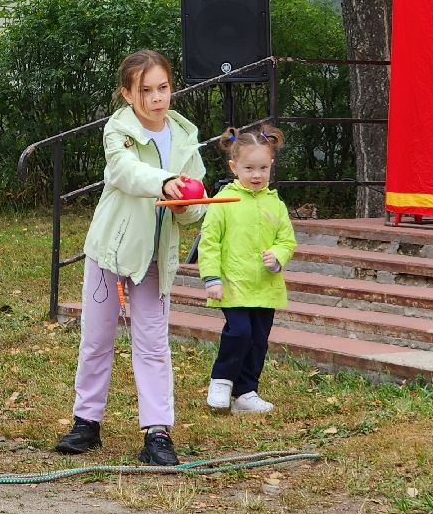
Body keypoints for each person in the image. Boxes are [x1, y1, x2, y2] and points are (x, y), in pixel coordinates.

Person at [57, 50, 206, 466]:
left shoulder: (185, 136)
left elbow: (198, 202)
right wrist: (166, 182)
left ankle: (157, 433)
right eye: (145, 90)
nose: (157, 98)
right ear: (127, 94)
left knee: (153, 345)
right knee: (96, 340)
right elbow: (123, 173)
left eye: (163, 88)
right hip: (109, 253)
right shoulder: (117, 130)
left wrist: (186, 207)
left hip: (156, 261)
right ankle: (86, 422)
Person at [199, 125, 297, 414]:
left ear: (271, 166)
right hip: (233, 284)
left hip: (266, 287)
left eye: (263, 168)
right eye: (249, 168)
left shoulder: (275, 203)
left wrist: (278, 255)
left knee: (258, 340)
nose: (256, 175)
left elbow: (287, 239)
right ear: (234, 167)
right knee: (239, 332)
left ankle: (246, 392)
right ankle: (221, 381)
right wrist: (212, 278)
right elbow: (209, 242)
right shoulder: (223, 202)